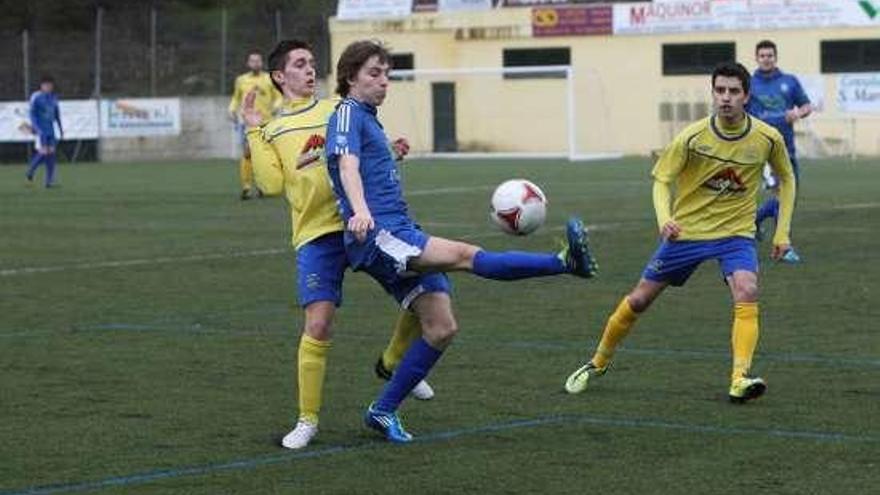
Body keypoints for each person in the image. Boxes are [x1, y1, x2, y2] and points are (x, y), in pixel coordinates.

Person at [325, 40, 598, 443]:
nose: (384, 81)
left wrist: (389, 153)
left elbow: (360, 161)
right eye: (374, 73)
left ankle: (382, 411)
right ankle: (563, 262)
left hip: (395, 230)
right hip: (380, 235)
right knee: (466, 256)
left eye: (387, 73)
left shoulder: (368, 117)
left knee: (441, 328)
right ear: (350, 77)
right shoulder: (347, 112)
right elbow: (347, 165)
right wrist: (361, 211)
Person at [563, 62, 795, 404]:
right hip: (686, 232)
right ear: (713, 93)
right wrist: (664, 218)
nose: (726, 98)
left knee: (747, 289)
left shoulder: (767, 138)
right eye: (720, 90)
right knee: (639, 299)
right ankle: (597, 363)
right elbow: (661, 179)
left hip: (736, 234)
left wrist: (782, 233)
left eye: (733, 91)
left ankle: (739, 378)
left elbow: (787, 179)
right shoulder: (691, 137)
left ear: (747, 96)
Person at [243, 39, 433, 450]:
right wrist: (254, 130)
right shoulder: (273, 129)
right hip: (317, 234)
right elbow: (271, 184)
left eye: (312, 63)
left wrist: (390, 151)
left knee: (426, 285)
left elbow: (361, 152)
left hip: (363, 224)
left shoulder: (337, 108)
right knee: (318, 323)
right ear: (280, 76)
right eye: (299, 64)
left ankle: (394, 363)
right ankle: (307, 421)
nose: (310, 70)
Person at [747, 40, 812, 263]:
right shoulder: (749, 83)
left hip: (787, 148)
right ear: (757, 58)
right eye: (762, 55)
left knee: (789, 199)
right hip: (762, 149)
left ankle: (754, 222)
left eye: (770, 55)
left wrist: (798, 114)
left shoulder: (789, 81)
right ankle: (783, 246)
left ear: (775, 57)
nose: (766, 59)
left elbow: (807, 106)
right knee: (781, 196)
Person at [229, 51, 281, 200]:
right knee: (247, 154)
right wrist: (232, 110)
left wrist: (276, 106)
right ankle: (246, 187)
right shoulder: (241, 80)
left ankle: (262, 186)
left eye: (257, 61)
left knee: (265, 155)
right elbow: (236, 98)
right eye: (252, 61)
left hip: (267, 123)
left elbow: (278, 96)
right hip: (249, 124)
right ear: (248, 63)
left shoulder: (269, 79)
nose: (255, 64)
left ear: (261, 63)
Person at [26, 76, 63, 188]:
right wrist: (36, 128)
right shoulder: (37, 97)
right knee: (44, 152)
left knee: (51, 154)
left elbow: (57, 114)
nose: (48, 87)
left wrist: (60, 128)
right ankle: (30, 171)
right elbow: (32, 114)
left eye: (50, 85)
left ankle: (48, 181)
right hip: (41, 129)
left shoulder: (54, 98)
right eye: (46, 85)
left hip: (50, 128)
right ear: (41, 86)